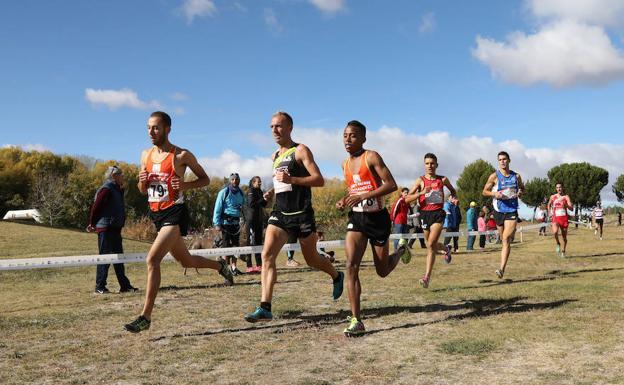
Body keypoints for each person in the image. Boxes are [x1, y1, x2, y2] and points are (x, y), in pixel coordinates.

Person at [124, 111, 234, 333]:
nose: (151, 132)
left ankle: (145, 317)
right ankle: (220, 266)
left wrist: (184, 186)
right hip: (157, 214)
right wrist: (141, 183)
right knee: (186, 261)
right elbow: (142, 188)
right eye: (148, 127)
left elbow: (205, 180)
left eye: (155, 128)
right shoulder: (145, 155)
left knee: (152, 260)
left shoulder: (181, 155)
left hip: (175, 214)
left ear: (167, 129)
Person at [243, 111, 344, 323]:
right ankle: (265, 306)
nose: (274, 130)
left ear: (290, 128)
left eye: (279, 126)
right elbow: (282, 183)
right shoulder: (274, 156)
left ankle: (336, 275)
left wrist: (292, 179)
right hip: (280, 213)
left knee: (312, 260)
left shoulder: (300, 150)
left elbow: (319, 180)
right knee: (267, 255)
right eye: (271, 127)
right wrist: (271, 194)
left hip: (302, 215)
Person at [334, 120, 410, 336]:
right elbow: (354, 189)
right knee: (350, 265)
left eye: (353, 136)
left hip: (378, 219)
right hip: (357, 220)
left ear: (363, 138)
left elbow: (391, 184)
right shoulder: (344, 164)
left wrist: (363, 196)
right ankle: (357, 319)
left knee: (382, 270)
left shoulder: (372, 157)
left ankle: (402, 250)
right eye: (345, 135)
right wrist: (344, 200)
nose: (348, 140)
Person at [405, 153, 456, 288]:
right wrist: (421, 193)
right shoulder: (420, 181)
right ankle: (446, 249)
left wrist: (454, 198)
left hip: (438, 214)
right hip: (424, 214)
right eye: (427, 163)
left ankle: (426, 277)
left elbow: (453, 191)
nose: (430, 166)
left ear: (437, 165)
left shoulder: (443, 179)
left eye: (432, 163)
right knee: (430, 244)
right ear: (424, 165)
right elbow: (407, 199)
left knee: (431, 244)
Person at [87, 165, 137, 294]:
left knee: (119, 258)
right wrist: (92, 223)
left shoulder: (117, 189)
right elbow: (96, 207)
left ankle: (125, 286)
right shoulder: (106, 189)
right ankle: (99, 287)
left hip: (114, 229)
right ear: (114, 176)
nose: (123, 177)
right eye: (121, 174)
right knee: (105, 258)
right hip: (106, 228)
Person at [482, 151, 525, 279]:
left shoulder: (516, 176)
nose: (502, 161)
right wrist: (494, 194)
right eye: (500, 159)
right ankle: (508, 238)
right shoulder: (494, 176)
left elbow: (522, 189)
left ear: (509, 160)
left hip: (511, 210)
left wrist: (520, 193)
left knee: (506, 238)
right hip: (498, 210)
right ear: (498, 161)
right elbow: (484, 191)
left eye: (505, 159)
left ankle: (501, 269)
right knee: (503, 239)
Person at [213, 172, 246, 275]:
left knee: (236, 246)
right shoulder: (224, 192)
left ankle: (234, 268)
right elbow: (217, 208)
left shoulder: (241, 193)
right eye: (232, 179)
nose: (235, 181)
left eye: (236, 179)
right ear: (229, 180)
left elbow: (243, 207)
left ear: (239, 181)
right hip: (225, 224)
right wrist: (217, 223)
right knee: (226, 247)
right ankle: (226, 269)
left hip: (236, 224)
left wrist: (243, 219)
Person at [244, 176, 267, 273]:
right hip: (251, 220)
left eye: (261, 181)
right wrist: (262, 199)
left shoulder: (260, 191)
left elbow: (263, 205)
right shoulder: (251, 190)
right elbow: (251, 204)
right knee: (250, 242)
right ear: (253, 182)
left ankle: (259, 265)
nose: (260, 183)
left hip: (259, 220)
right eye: (258, 182)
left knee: (258, 242)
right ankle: (249, 266)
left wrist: (266, 198)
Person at [547, 182, 573, 258]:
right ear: (556, 189)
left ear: (562, 188)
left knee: (564, 237)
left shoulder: (566, 197)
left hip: (564, 219)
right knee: (555, 232)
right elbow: (549, 205)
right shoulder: (552, 197)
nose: (559, 189)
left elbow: (571, 208)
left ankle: (563, 251)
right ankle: (558, 243)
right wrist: (550, 213)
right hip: (555, 218)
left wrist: (567, 205)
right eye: (557, 187)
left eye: (560, 187)